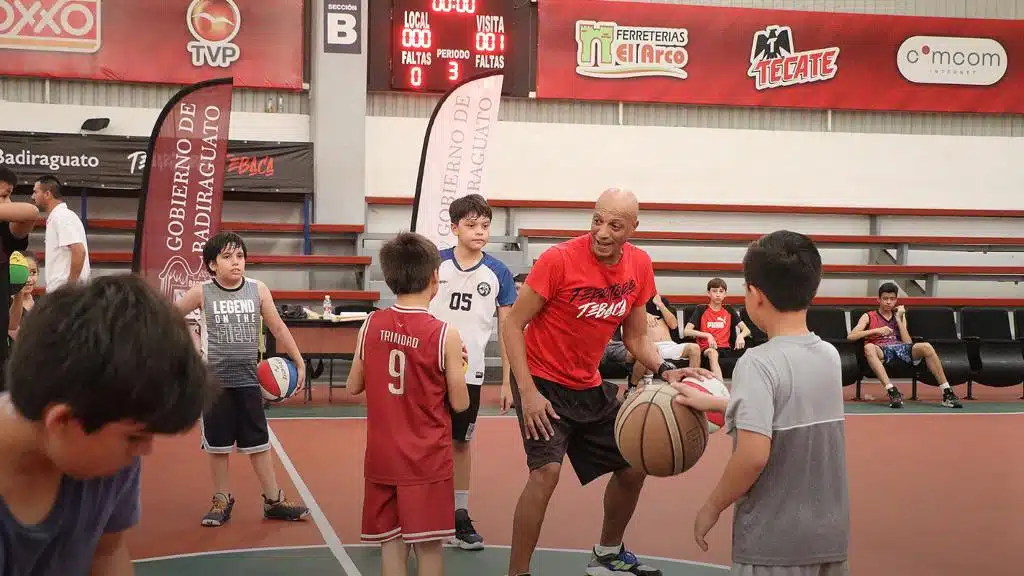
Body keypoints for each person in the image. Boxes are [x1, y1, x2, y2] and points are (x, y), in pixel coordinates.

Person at [502, 188, 714, 576]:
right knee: (545, 473)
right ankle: (518, 572)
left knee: (633, 464)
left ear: (633, 227)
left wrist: (666, 369)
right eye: (597, 220)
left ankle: (607, 554)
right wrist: (527, 392)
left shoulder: (639, 265)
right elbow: (513, 323)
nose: (602, 232)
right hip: (542, 382)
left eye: (614, 225)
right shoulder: (558, 260)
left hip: (588, 384)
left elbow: (635, 338)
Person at [0, 273, 216, 575]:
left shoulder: (103, 446)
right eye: (134, 437)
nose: (144, 451)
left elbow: (107, 553)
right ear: (63, 421)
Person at [672, 230, 850, 576]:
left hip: (773, 540)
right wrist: (716, 402)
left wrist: (712, 506)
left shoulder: (756, 363)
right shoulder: (828, 355)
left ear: (754, 295)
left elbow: (753, 455)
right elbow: (784, 415)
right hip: (829, 535)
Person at [346, 231, 470, 576]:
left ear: (389, 277)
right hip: (425, 459)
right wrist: (457, 367)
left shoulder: (370, 323)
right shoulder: (445, 333)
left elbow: (353, 384)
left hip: (383, 456)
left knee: (391, 546)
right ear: (435, 278)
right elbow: (460, 403)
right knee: (428, 549)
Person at [175, 232, 311, 527]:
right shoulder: (202, 292)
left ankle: (273, 500)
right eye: (227, 257)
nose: (236, 263)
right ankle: (221, 499)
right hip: (215, 383)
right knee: (218, 446)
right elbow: (169, 317)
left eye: (240, 256)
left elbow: (278, 327)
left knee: (258, 443)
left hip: (250, 381)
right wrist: (190, 346)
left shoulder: (257, 289)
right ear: (212, 265)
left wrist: (299, 361)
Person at [427, 194, 517, 550]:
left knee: (461, 443)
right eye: (471, 225)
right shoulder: (434, 264)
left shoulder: (498, 272)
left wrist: (508, 380)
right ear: (454, 228)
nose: (480, 232)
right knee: (423, 442)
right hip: (428, 370)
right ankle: (420, 509)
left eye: (485, 225)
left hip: (470, 375)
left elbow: (509, 331)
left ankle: (458, 515)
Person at [847, 283, 962, 410]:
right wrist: (875, 331)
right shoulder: (868, 316)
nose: (888, 302)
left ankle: (947, 392)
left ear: (896, 300)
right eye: (885, 299)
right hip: (881, 349)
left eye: (892, 299)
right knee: (868, 347)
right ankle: (891, 390)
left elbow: (908, 343)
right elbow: (851, 336)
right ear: (878, 300)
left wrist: (899, 319)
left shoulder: (899, 315)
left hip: (900, 348)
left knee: (927, 347)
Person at [603, 294, 700, 395]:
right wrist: (643, 315)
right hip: (649, 345)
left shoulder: (660, 301)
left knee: (694, 348)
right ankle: (633, 387)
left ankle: (691, 385)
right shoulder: (630, 301)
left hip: (669, 345)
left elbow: (673, 325)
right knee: (646, 349)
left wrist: (661, 305)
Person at [0, 167, 38, 391]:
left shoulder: (6, 232)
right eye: (4, 195)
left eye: (10, 195)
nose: (10, 202)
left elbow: (30, 212)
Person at [682, 278, 752, 381]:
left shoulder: (729, 310)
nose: (718, 294)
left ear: (725, 294)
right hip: (707, 348)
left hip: (726, 348)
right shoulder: (701, 309)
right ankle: (721, 386)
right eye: (714, 291)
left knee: (751, 353)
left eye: (721, 291)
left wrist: (741, 336)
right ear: (708, 293)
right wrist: (708, 335)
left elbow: (747, 329)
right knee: (712, 353)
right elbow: (687, 331)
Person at [30, 175, 89, 292]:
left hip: (65, 294)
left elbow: (79, 250)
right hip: (61, 293)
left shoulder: (62, 216)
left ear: (47, 194)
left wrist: (70, 288)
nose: (32, 197)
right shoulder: (58, 217)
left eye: (35, 192)